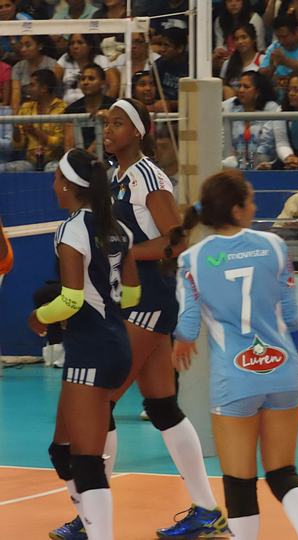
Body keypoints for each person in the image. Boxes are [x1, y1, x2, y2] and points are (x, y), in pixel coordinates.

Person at [47, 98, 228, 539]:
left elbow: (177, 241)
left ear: (140, 131)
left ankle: (90, 518)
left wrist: (127, 252)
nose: (109, 130)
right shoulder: (113, 177)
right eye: (107, 123)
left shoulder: (149, 177)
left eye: (118, 123)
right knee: (161, 405)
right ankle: (207, 510)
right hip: (133, 300)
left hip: (149, 299)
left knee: (98, 401)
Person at [172, 169, 298, 540]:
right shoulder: (274, 245)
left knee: (239, 483)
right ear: (237, 209)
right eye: (250, 200)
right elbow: (292, 317)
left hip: (235, 379)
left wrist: (182, 342)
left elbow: (187, 326)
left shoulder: (192, 259)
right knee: (283, 472)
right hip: (283, 372)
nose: (254, 207)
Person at [28, 148, 139, 540]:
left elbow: (71, 300)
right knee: (63, 451)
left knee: (86, 461)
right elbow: (132, 294)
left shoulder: (72, 230)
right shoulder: (119, 229)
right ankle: (90, 528)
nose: (52, 186)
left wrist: (39, 317)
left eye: (55, 178)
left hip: (91, 348)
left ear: (68, 186)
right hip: (114, 345)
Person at [6, 69, 66, 173]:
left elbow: (59, 143)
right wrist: (16, 130)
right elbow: (18, 146)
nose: (28, 89)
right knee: (6, 169)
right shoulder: (26, 107)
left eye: (32, 85)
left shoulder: (62, 108)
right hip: (30, 161)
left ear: (44, 88)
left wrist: (35, 132)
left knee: (52, 168)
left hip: (54, 160)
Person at [222, 71, 279, 170]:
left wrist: (254, 166)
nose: (241, 90)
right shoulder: (231, 106)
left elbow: (267, 143)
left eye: (246, 87)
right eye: (239, 86)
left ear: (258, 91)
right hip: (236, 166)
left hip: (264, 165)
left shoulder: (271, 108)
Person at [64, 64, 116, 153]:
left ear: (102, 83)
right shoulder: (72, 109)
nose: (85, 82)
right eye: (82, 79)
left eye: (91, 79)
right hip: (79, 157)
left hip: (110, 156)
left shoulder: (114, 106)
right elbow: (69, 144)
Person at [55, 34, 119, 105]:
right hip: (68, 107)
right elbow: (52, 84)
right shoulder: (65, 59)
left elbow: (114, 85)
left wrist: (104, 105)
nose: (75, 46)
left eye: (80, 43)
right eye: (72, 43)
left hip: (95, 106)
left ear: (90, 46)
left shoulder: (100, 59)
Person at [11, 34, 57, 113]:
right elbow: (16, 94)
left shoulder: (53, 65)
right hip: (25, 110)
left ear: (40, 46)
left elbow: (53, 94)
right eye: (21, 45)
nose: (23, 49)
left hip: (48, 109)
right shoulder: (17, 67)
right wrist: (15, 115)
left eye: (28, 45)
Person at [220, 23, 265, 100]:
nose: (240, 41)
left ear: (253, 39)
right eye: (236, 39)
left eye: (244, 37)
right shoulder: (227, 64)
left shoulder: (263, 60)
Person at [153, 27, 189, 112]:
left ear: (180, 48)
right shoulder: (158, 64)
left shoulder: (193, 67)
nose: (161, 49)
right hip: (162, 110)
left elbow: (195, 99)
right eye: (160, 45)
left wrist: (171, 104)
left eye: (166, 45)